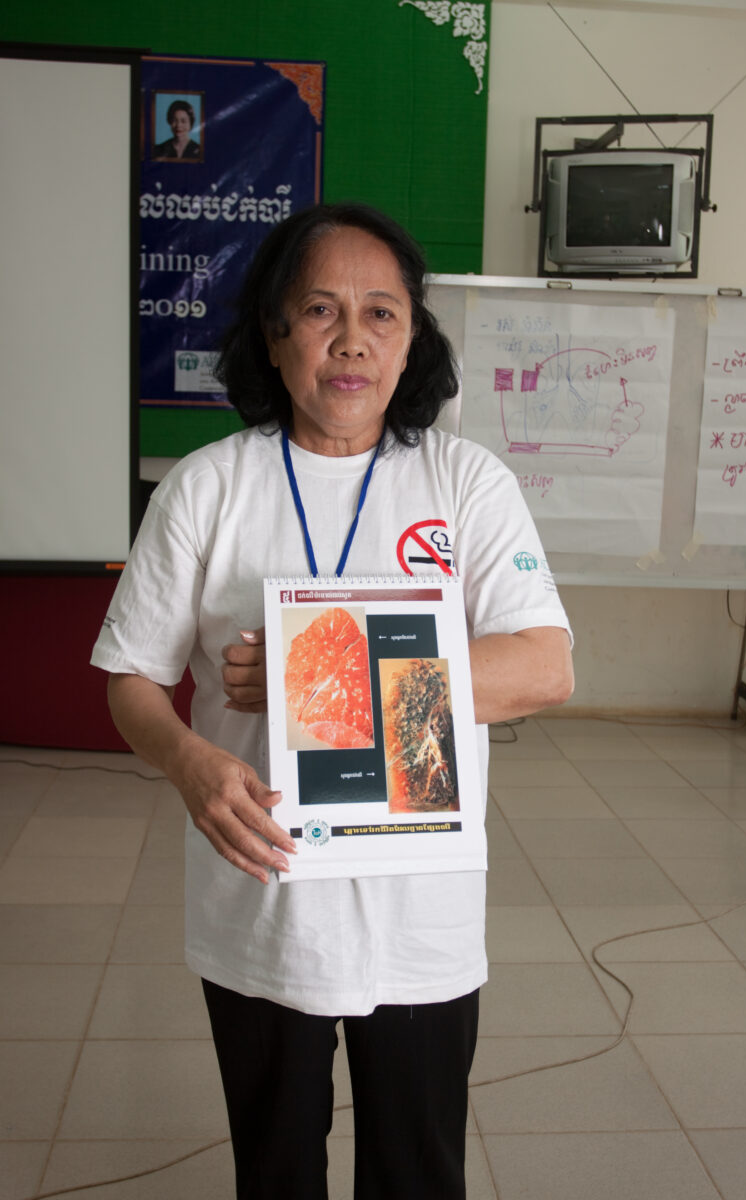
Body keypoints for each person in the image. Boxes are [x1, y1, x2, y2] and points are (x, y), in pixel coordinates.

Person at [91, 203, 574, 1199]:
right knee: (273, 1170)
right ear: (272, 335)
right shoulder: (206, 487)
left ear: (411, 341)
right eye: (318, 309)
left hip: (421, 911)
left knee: (417, 1171)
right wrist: (186, 760)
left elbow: (543, 667)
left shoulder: (461, 482)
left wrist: (319, 674)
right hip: (263, 899)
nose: (350, 337)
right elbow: (131, 678)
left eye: (381, 313)